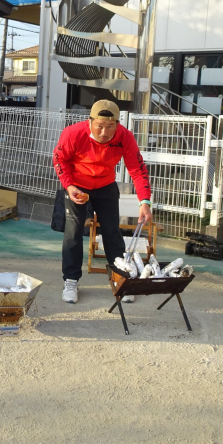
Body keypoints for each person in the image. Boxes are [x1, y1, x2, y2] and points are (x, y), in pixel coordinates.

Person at [53, 100, 152, 303]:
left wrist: (144, 201)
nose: (104, 132)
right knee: (73, 232)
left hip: (106, 185)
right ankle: (71, 281)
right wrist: (69, 186)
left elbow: (137, 168)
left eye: (110, 126)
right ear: (90, 121)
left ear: (117, 123)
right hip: (77, 185)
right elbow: (59, 159)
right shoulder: (73, 133)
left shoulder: (125, 136)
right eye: (99, 125)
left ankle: (119, 278)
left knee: (111, 232)